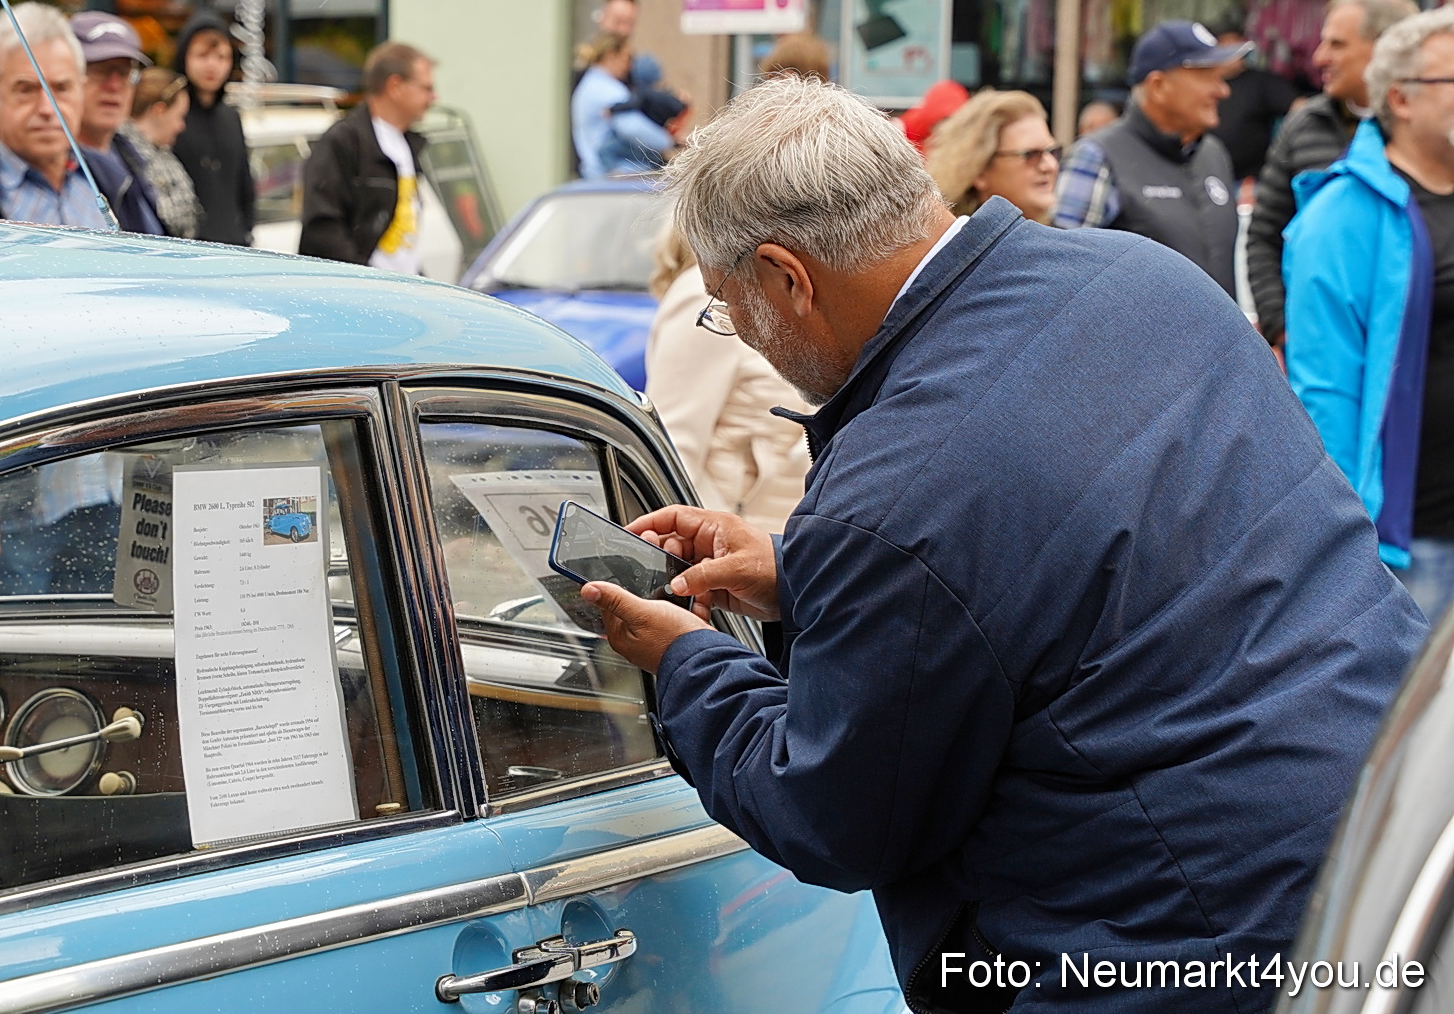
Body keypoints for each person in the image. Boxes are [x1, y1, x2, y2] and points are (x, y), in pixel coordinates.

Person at [575, 73, 1425, 1013]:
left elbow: (839, 816)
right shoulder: (1144, 277)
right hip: (1383, 847)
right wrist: (803, 571)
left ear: (786, 276)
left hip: (1163, 943)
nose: (739, 331)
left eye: (728, 307)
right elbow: (1094, 568)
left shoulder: (894, 495)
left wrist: (686, 661)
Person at [1284, 6, 1454, 626]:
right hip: (1415, 541)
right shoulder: (1345, 216)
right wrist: (1346, 547)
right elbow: (1324, 393)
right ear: (1401, 100)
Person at [1249, 0, 1420, 349]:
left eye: (1337, 44)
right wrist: (1281, 328)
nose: (1319, 56)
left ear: (1384, 49)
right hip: (1318, 347)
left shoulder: (1423, 130)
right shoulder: (1303, 125)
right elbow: (1265, 234)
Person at [0, 2, 158, 234]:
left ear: (80, 91)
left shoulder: (115, 177)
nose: (47, 108)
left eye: (61, 88)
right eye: (26, 89)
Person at [1054, 20, 1246, 297]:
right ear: (1158, 85)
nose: (1223, 91)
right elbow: (1063, 279)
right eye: (1207, 77)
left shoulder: (1213, 154)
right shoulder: (1096, 156)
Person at [645, 227, 808, 534]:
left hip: (781, 541)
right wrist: (709, 542)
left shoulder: (780, 283)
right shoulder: (705, 294)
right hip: (731, 541)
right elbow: (675, 443)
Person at [298, 41, 435, 270]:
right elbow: (321, 228)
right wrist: (363, 280)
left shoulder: (409, 144)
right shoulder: (344, 141)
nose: (434, 98)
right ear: (396, 86)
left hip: (400, 293)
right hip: (358, 294)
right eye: (426, 88)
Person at [70, 10, 163, 236]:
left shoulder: (133, 156)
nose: (114, 86)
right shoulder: (57, 172)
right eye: (100, 70)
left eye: (124, 73)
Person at [172, 11, 255, 245]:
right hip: (187, 252)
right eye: (202, 55)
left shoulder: (231, 118)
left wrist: (246, 232)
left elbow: (245, 187)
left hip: (234, 249)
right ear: (184, 57)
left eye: (221, 57)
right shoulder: (171, 117)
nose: (212, 66)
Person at [924, 89, 1060, 223]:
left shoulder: (1064, 241)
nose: (1050, 166)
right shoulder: (952, 241)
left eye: (1052, 152)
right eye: (1030, 155)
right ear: (980, 170)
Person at [1208, 22, 1304, 183]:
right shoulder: (1202, 84)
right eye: (1227, 46)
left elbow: (1301, 108)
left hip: (1250, 182)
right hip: (1206, 176)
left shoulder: (1262, 82)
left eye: (1238, 46)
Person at [572, 34, 674, 180]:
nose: (629, 66)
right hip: (618, 174)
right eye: (627, 58)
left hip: (595, 173)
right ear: (611, 55)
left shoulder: (589, 85)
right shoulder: (609, 90)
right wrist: (668, 141)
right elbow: (631, 127)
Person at [123, 68, 204, 240]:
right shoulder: (126, 155)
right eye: (179, 116)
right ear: (160, 111)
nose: (181, 126)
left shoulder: (162, 152)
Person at [758, 32, 831, 82]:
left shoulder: (778, 103)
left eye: (771, 79)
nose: (767, 87)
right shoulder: (834, 102)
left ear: (788, 76)